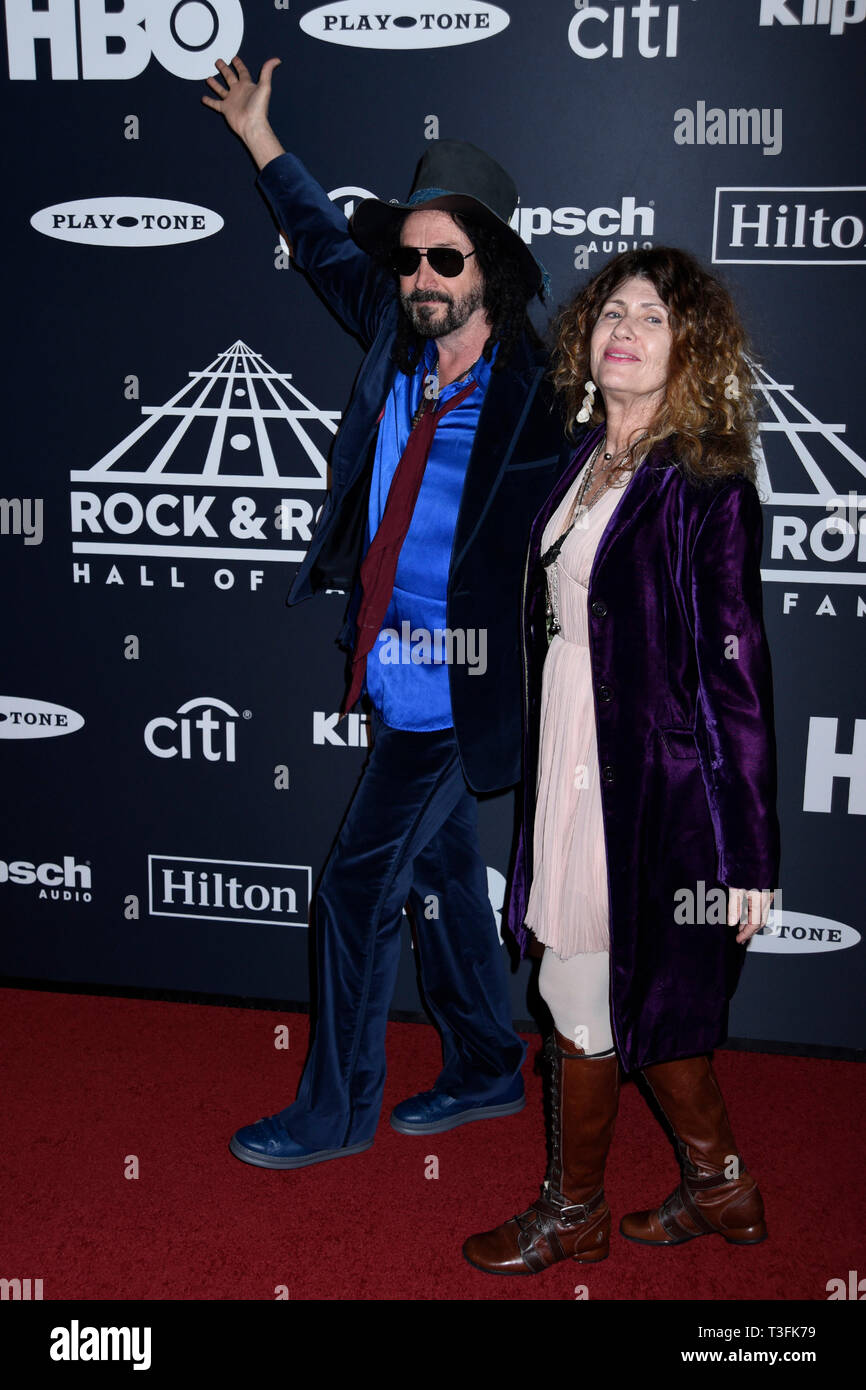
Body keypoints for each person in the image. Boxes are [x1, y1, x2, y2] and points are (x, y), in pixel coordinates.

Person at [202, 57, 566, 1168]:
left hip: (467, 676)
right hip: (389, 662)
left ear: (490, 270)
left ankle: (335, 1110)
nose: (418, 275)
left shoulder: (534, 394)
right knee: (449, 870)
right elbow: (320, 239)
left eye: (443, 259)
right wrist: (262, 139)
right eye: (408, 255)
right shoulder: (393, 333)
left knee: (358, 880)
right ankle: (485, 1064)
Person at [462, 247, 780, 1274]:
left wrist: (747, 851)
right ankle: (719, 1184)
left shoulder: (705, 485)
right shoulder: (575, 456)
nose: (623, 328)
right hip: (569, 747)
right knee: (620, 991)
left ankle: (573, 1208)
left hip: (647, 783)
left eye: (650, 315)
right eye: (608, 311)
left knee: (577, 988)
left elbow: (735, 673)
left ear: (688, 347)